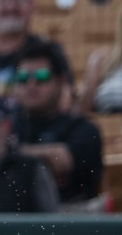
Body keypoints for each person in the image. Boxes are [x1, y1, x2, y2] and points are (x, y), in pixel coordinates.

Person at [11, 41, 103, 205]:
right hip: (16, 218)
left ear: (61, 81)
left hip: (70, 221)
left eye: (42, 76)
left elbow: (61, 160)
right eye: (23, 78)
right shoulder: (9, 125)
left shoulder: (84, 129)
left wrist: (8, 153)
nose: (32, 85)